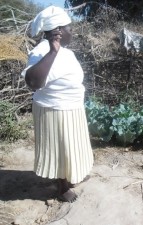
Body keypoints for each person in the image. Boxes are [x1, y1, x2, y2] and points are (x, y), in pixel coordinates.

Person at [21, 6, 94, 202]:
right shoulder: (42, 52)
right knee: (60, 149)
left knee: (73, 146)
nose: (73, 31)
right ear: (58, 32)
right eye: (69, 27)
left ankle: (72, 175)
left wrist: (58, 50)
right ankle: (62, 186)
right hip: (54, 110)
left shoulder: (67, 52)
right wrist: (52, 52)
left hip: (71, 108)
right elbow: (33, 82)